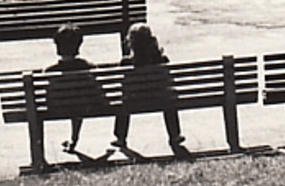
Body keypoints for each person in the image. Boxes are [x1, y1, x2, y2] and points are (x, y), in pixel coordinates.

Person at [112, 23, 191, 160]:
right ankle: (175, 135)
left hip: (134, 102)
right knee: (169, 99)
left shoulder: (126, 63)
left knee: (123, 101)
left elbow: (123, 86)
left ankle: (120, 137)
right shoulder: (162, 59)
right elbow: (168, 81)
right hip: (160, 99)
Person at [47, 25, 105, 154]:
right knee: (78, 101)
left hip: (58, 108)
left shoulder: (49, 71)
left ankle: (72, 140)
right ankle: (74, 139)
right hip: (85, 106)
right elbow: (98, 91)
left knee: (74, 103)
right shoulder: (88, 67)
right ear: (78, 45)